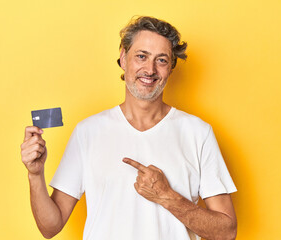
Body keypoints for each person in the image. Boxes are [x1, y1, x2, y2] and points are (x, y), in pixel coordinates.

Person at [20, 16, 237, 240]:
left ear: (170, 68)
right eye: (141, 56)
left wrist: (167, 196)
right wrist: (35, 175)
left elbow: (227, 232)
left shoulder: (198, 133)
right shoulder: (88, 132)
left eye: (161, 60)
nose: (150, 69)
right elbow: (50, 227)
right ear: (123, 58)